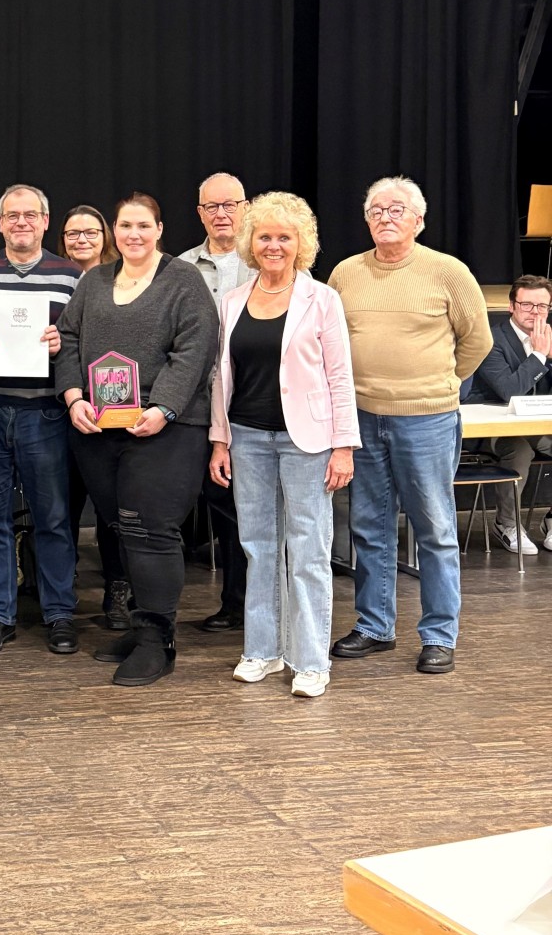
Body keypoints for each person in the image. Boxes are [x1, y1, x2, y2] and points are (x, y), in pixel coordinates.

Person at [328, 177, 493, 675]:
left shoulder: (449, 272)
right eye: (376, 210)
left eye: (397, 209)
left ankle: (439, 635)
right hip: (361, 418)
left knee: (435, 529)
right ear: (366, 221)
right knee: (369, 527)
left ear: (419, 220)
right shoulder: (345, 273)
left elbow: (478, 342)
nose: (386, 217)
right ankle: (375, 626)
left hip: (427, 419)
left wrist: (440, 383)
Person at [56, 193, 220, 686]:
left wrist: (163, 408)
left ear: (159, 229)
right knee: (122, 527)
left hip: (166, 429)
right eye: (125, 225)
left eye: (143, 225)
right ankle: (141, 625)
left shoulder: (183, 281)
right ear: (114, 231)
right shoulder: (94, 282)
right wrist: (73, 397)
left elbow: (195, 349)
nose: (133, 234)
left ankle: (157, 641)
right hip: (99, 428)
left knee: (151, 530)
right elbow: (68, 338)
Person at [208, 194, 359, 699]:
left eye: (284, 237)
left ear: (301, 244)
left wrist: (343, 446)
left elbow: (340, 377)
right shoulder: (232, 300)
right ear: (251, 243)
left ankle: (310, 661)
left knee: (309, 551)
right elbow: (221, 378)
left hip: (307, 442)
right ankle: (263, 650)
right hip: (247, 437)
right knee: (258, 547)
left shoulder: (323, 299)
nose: (274, 245)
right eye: (265, 236)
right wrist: (220, 440)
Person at [0, 185, 82, 656]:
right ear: (0, 223)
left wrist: (63, 342)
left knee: (52, 518)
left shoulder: (70, 275)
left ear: (45, 221)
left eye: (30, 215)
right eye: (12, 215)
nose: (21, 223)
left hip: (45, 412)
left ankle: (60, 614)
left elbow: (82, 341)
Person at [179, 173, 254, 635]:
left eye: (230, 205)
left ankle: (256, 605)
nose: (221, 214)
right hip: (195, 406)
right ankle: (232, 603)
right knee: (220, 507)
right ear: (200, 213)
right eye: (212, 206)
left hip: (252, 406)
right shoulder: (180, 268)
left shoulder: (268, 259)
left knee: (252, 512)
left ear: (246, 208)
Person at [58, 204, 129, 629]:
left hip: (115, 408)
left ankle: (117, 589)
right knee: (63, 505)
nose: (81, 239)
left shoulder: (124, 279)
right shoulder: (53, 277)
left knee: (111, 509)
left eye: (90, 232)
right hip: (63, 407)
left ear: (106, 236)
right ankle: (60, 589)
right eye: (72, 233)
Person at [465, 275, 552, 554]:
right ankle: (507, 524)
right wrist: (539, 356)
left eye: (542, 306)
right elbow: (509, 390)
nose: (535, 312)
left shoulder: (549, 337)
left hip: (534, 424)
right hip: (491, 427)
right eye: (527, 305)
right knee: (520, 450)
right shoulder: (492, 340)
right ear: (511, 306)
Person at [59, 205, 114, 274]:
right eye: (73, 234)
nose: (82, 240)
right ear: (63, 239)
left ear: (105, 237)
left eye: (91, 233)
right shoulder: (50, 278)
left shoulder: (121, 278)